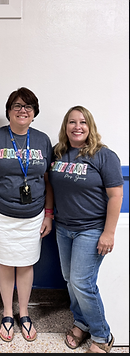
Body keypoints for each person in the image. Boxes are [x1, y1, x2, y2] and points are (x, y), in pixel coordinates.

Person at [0, 87, 54, 343]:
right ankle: (8, 314)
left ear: (34, 113)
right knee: (5, 261)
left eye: (28, 107)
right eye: (17, 106)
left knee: (26, 262)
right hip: (1, 214)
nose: (23, 110)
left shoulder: (42, 140)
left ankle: (24, 313)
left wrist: (48, 214)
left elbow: (48, 181)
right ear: (9, 111)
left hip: (33, 216)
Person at [48, 106, 124, 353]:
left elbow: (116, 195)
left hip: (91, 230)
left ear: (90, 126)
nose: (77, 126)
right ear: (65, 126)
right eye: (71, 122)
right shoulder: (59, 153)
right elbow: (50, 187)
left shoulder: (104, 155)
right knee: (71, 280)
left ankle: (102, 336)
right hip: (64, 228)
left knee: (83, 282)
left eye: (82, 122)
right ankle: (81, 322)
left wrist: (108, 233)